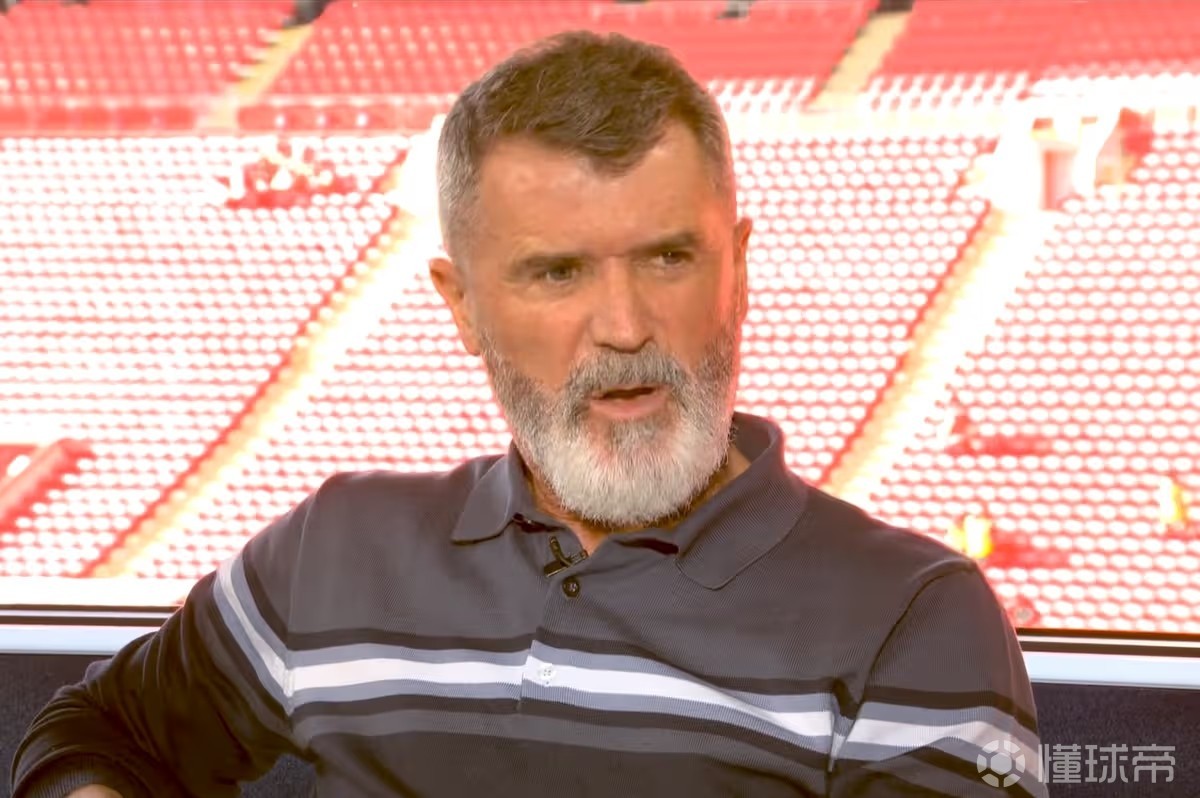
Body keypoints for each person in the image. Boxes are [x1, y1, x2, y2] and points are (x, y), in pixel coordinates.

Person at [11, 31, 1045, 798]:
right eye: (557, 273)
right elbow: (95, 734)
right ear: (460, 304)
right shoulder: (333, 546)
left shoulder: (916, 619)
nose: (625, 327)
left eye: (668, 257)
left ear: (738, 269)